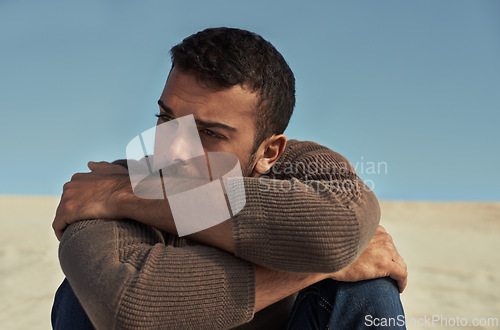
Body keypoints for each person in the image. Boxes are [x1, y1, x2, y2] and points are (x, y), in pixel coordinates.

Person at [52, 27, 407, 329]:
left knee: (366, 290)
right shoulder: (105, 184)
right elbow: (123, 305)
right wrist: (325, 266)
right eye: (166, 119)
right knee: (81, 297)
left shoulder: (304, 167)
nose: (174, 150)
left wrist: (128, 198)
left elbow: (336, 228)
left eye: (208, 133)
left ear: (269, 152)